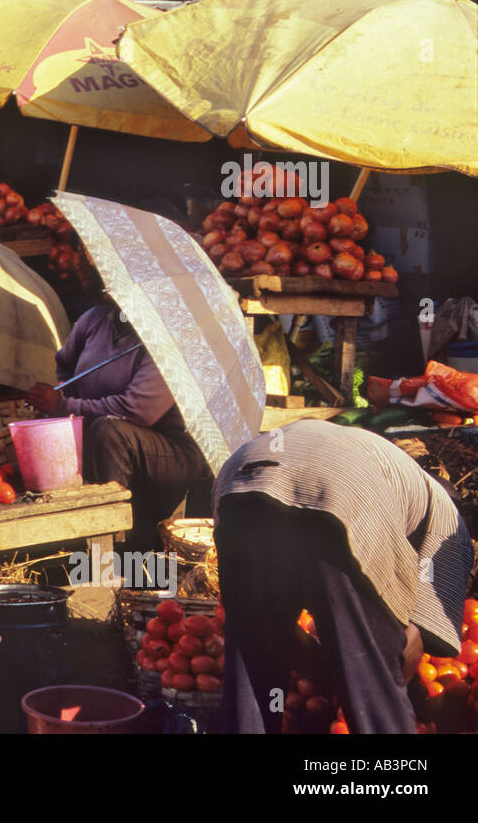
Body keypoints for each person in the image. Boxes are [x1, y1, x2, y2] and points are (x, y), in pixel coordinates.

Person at [213, 419, 472, 734]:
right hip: (338, 489)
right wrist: (372, 675)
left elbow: (269, 619)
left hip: (240, 479)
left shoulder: (391, 469)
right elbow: (414, 639)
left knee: (254, 658)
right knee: (374, 683)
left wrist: (312, 656)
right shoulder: (448, 515)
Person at [28, 296, 209, 549]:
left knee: (109, 430)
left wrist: (63, 406)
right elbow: (65, 366)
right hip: (104, 436)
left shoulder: (168, 344)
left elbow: (136, 410)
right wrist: (63, 401)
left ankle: (112, 538)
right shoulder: (94, 320)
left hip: (171, 452)